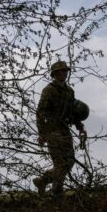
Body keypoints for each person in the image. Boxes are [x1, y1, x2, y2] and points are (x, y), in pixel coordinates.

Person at [33, 61, 87, 196]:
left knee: (69, 161)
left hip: (65, 130)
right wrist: (42, 133)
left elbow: (72, 112)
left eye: (65, 71)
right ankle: (56, 192)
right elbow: (40, 112)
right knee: (60, 163)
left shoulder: (69, 91)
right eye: (61, 71)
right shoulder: (49, 90)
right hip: (52, 131)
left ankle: (43, 180)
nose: (64, 73)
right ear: (55, 74)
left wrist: (79, 126)